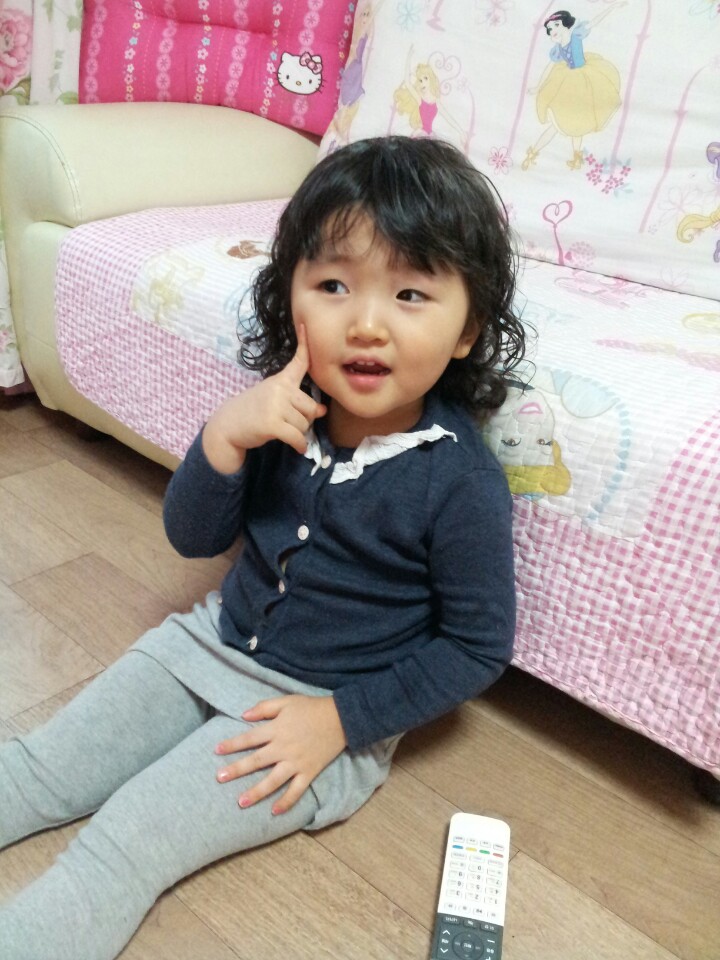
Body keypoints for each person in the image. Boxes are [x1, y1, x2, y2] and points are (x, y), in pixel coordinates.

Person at [0, 135, 525, 960]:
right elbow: (193, 536)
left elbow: (477, 647)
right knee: (38, 768)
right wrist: (222, 439)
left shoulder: (459, 481)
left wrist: (339, 723)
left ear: (468, 331)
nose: (366, 324)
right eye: (334, 285)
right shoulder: (280, 412)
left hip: (315, 719)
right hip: (204, 644)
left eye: (411, 294)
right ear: (291, 298)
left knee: (127, 842)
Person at [522, 4, 626, 171]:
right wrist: (538, 86)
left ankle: (568, 157)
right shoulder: (558, 50)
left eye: (556, 25)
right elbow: (548, 68)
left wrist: (612, 6)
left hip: (584, 81)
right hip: (568, 83)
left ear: (566, 25)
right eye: (550, 28)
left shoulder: (576, 36)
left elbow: (594, 22)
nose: (553, 30)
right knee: (559, 123)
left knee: (576, 124)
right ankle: (535, 153)